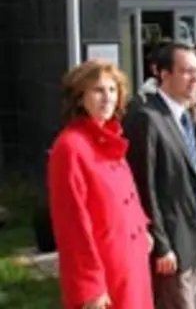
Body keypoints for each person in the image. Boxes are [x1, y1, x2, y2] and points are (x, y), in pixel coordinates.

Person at [48, 60, 153, 309]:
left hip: (131, 266)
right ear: (79, 98)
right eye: (98, 90)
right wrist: (90, 286)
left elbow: (126, 196)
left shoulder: (108, 139)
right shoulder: (71, 147)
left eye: (112, 90)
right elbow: (72, 224)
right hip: (106, 276)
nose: (107, 98)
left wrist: (142, 228)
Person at [123, 42, 196, 309]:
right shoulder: (148, 118)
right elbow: (144, 187)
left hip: (191, 236)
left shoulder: (186, 115)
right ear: (163, 74)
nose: (195, 78)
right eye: (186, 71)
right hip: (170, 241)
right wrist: (161, 244)